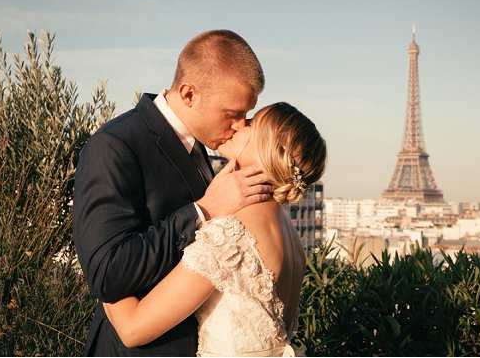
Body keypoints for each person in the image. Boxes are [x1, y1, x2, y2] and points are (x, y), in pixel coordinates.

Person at [73, 30, 273, 356]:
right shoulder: (115, 146)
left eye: (245, 115)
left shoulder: (204, 150)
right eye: (232, 114)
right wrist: (203, 211)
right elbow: (107, 273)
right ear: (189, 94)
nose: (241, 126)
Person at [103, 102, 327, 356]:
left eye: (252, 123)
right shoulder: (288, 233)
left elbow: (133, 328)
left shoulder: (234, 233)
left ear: (269, 148)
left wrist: (100, 258)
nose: (240, 124)